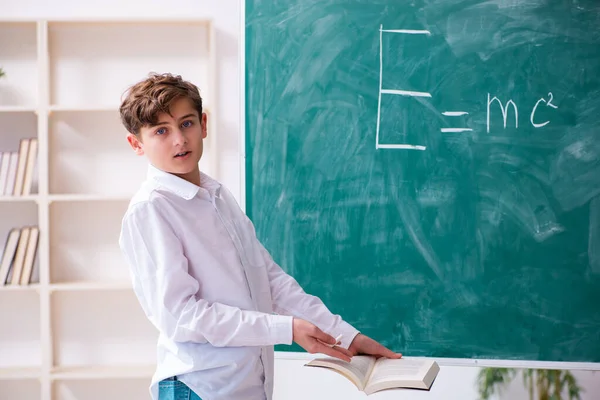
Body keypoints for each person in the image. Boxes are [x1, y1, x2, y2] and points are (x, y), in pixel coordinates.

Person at [118, 72, 401, 400]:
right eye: (161, 131)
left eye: (186, 124)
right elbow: (182, 316)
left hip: (247, 387)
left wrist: (345, 335)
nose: (179, 140)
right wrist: (287, 329)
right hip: (200, 388)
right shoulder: (151, 209)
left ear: (204, 125)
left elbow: (270, 282)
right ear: (136, 144)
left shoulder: (217, 196)